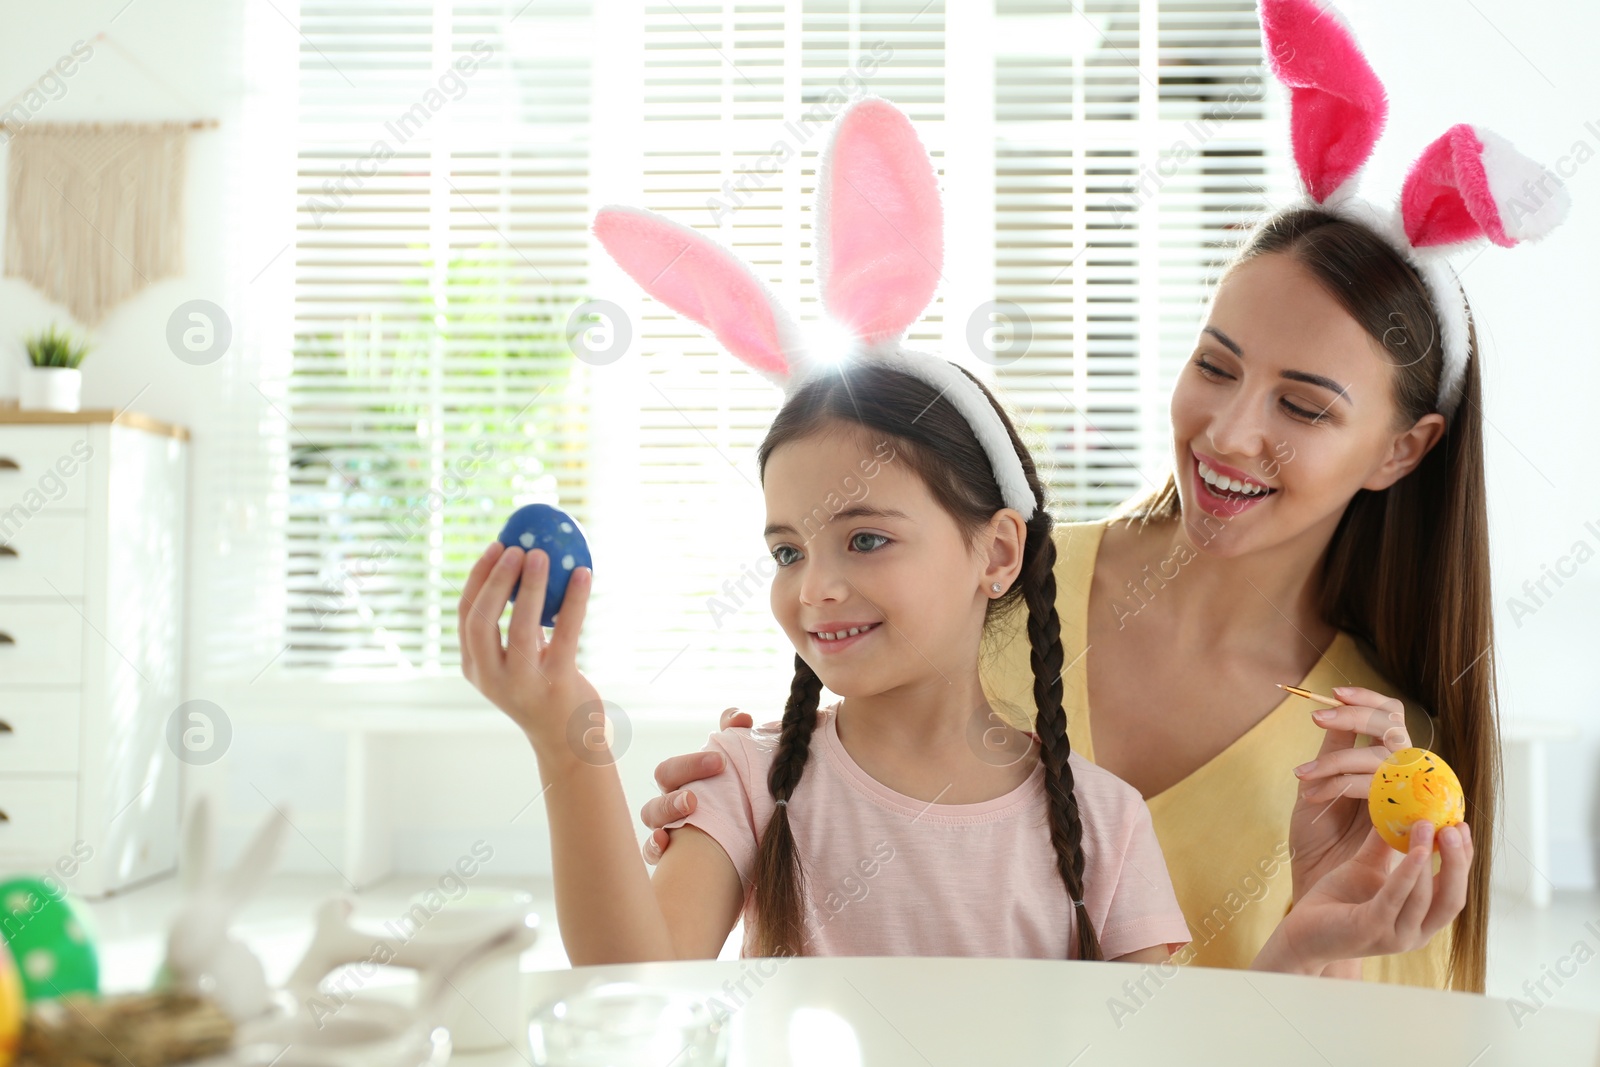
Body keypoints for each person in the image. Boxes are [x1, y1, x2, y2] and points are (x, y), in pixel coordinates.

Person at [634, 0, 1571, 991]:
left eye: (1301, 404)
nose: (1228, 430)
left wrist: (1317, 939)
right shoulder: (1000, 578)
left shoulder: (1372, 759)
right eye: (1215, 365)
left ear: (1401, 448)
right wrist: (748, 798)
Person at [460, 94, 1468, 972]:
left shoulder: (1102, 817)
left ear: (997, 552)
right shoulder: (748, 780)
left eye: (865, 539)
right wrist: (565, 732)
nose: (812, 588)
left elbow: (1162, 1043)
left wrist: (1304, 943)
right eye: (785, 550)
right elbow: (630, 972)